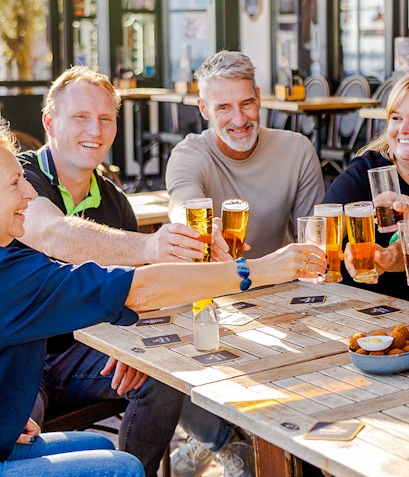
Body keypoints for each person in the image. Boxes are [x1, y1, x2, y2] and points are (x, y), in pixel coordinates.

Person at [0, 122, 326, 475]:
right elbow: (137, 287)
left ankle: (215, 441)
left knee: (98, 445)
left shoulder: (17, 260)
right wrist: (256, 271)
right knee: (121, 467)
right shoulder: (14, 276)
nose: (30, 195)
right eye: (15, 184)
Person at [16, 67, 207, 477]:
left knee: (161, 374)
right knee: (13, 428)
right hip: (21, 353)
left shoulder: (116, 200)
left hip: (83, 352)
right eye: (81, 117)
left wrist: (131, 344)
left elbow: (139, 291)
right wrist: (149, 246)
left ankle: (136, 471)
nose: (95, 130)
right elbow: (54, 234)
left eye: (106, 119)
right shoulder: (20, 180)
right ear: (50, 121)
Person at [165, 50, 325, 476]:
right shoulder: (189, 154)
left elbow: (313, 240)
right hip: (212, 298)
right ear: (203, 110)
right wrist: (202, 232)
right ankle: (223, 443)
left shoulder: (296, 149)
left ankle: (220, 444)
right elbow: (182, 204)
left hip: (282, 299)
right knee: (154, 355)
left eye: (246, 103)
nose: (239, 118)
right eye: (223, 107)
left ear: (259, 98)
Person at [323, 70, 409, 312]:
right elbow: (321, 241)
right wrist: (344, 254)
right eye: (396, 118)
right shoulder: (365, 174)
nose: (403, 129)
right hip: (369, 317)